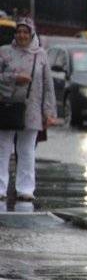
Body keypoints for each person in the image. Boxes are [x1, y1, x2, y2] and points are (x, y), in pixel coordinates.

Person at [0, 17, 57, 202]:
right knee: (3, 148)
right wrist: (14, 78)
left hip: (32, 109)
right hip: (7, 107)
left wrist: (49, 113)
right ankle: (0, 187)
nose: (22, 35)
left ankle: (25, 189)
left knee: (27, 150)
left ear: (32, 34)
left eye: (25, 32)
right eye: (19, 32)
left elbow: (48, 85)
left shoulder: (40, 55)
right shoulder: (4, 52)